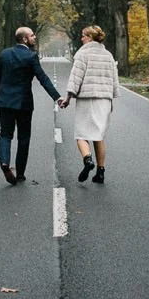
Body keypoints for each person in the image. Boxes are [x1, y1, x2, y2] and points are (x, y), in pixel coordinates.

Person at [0, 26, 62, 185]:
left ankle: (4, 162)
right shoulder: (31, 57)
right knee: (23, 138)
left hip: (4, 102)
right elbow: (42, 79)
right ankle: (20, 174)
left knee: (5, 134)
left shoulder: (4, 54)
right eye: (32, 35)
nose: (34, 37)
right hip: (24, 104)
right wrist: (57, 97)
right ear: (24, 39)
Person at [57, 24, 119, 184]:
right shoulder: (108, 55)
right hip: (104, 99)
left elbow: (75, 78)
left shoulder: (82, 54)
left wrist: (69, 97)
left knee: (82, 134)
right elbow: (114, 80)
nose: (81, 38)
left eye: (84, 35)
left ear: (90, 37)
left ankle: (87, 159)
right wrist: (111, 99)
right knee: (99, 136)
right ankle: (100, 172)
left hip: (87, 99)